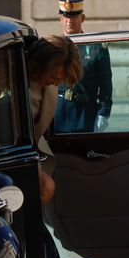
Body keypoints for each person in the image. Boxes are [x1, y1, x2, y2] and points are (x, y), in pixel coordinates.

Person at [26, 34, 83, 203]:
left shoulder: (50, 87)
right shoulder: (6, 74)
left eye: (60, 80)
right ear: (40, 64)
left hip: (31, 152)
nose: (56, 83)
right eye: (54, 77)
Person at [52, 0, 113, 134]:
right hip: (58, 110)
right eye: (65, 16)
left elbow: (105, 84)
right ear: (60, 19)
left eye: (74, 16)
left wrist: (104, 112)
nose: (69, 21)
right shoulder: (53, 47)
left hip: (85, 111)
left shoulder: (96, 46)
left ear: (82, 18)